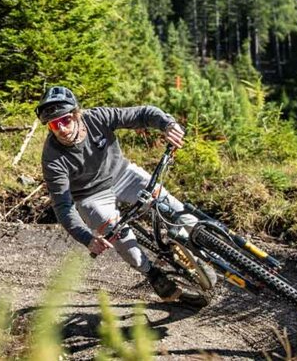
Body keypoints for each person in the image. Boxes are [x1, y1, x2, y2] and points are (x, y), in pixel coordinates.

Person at [37, 85, 193, 301]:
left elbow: (140, 114)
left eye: (65, 120)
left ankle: (204, 243)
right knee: (119, 236)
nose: (62, 128)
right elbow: (63, 206)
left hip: (123, 174)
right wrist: (87, 238)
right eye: (54, 124)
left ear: (76, 114)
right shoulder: (52, 158)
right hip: (90, 196)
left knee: (171, 206)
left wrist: (167, 124)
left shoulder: (97, 117)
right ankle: (152, 273)